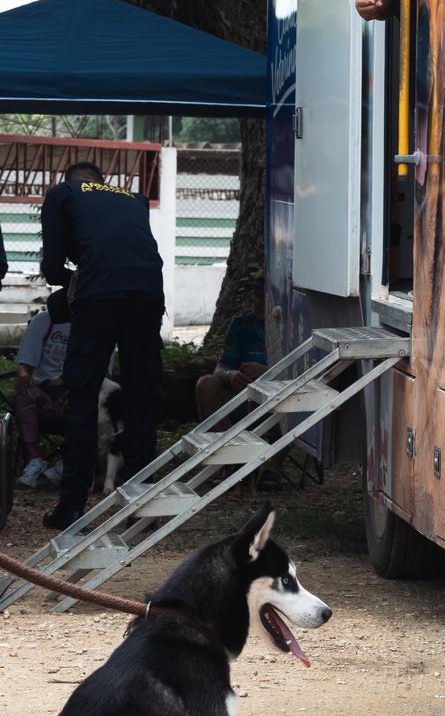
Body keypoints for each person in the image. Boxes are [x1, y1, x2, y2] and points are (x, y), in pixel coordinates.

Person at [40, 160, 164, 530]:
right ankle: (142, 506)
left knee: (83, 395)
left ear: (70, 182)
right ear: (102, 183)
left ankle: (72, 506)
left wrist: (74, 279)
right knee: (141, 398)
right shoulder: (135, 199)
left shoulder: (61, 194)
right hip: (148, 292)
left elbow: (51, 268)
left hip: (100, 295)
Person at [194, 273, 280, 490]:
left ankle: (271, 467)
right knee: (206, 384)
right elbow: (221, 367)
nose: (258, 301)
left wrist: (267, 372)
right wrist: (231, 375)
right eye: (256, 295)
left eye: (264, 297)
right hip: (244, 399)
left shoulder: (287, 326)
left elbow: (302, 371)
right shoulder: (241, 325)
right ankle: (235, 458)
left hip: (277, 400)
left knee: (295, 395)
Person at [12, 293, 71, 489]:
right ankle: (34, 462)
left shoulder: (95, 326)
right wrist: (23, 376)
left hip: (76, 393)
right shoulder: (43, 321)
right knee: (23, 392)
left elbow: (102, 375)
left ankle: (69, 462)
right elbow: (25, 364)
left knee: (87, 398)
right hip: (44, 393)